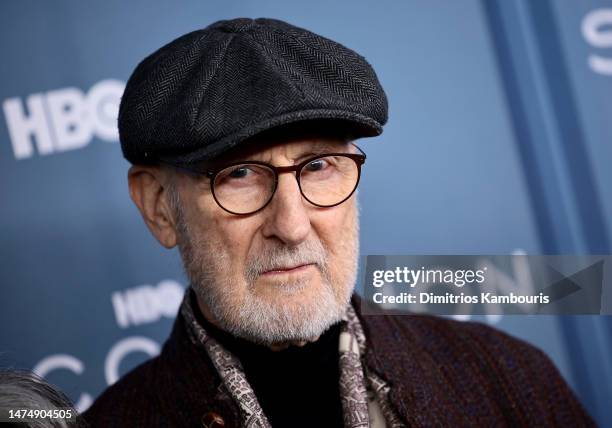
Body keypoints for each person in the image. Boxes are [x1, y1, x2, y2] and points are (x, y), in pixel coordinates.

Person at [83, 17, 594, 427]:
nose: (293, 225)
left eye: (318, 166)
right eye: (239, 174)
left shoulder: (503, 377)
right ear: (158, 206)